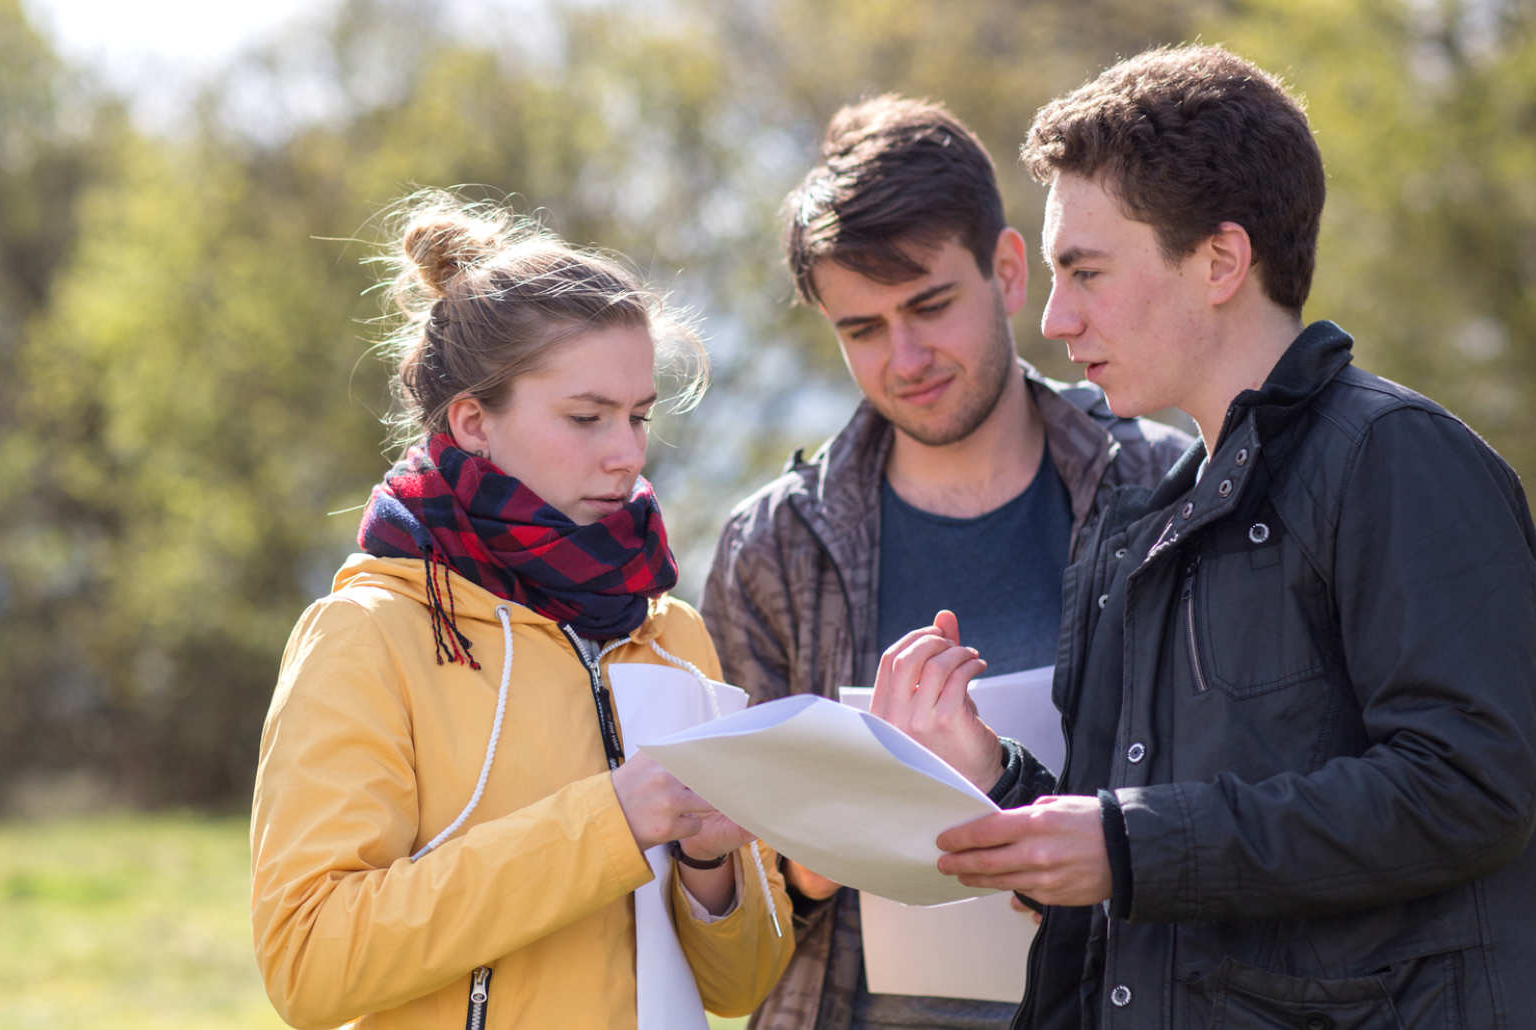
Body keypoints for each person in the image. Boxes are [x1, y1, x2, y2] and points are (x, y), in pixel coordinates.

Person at [874, 44, 1536, 1029]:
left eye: (1084, 270)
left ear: (1219, 261)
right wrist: (994, 780)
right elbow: (1126, 845)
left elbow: (1470, 785)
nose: (1054, 318)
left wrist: (1128, 842)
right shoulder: (1136, 520)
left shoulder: (1395, 460)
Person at [701, 95, 1188, 1029]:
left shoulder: (1166, 487)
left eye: (929, 305)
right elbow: (729, 899)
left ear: (1009, 271)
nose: (907, 356)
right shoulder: (772, 546)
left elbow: (1224, 807)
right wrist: (814, 849)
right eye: (862, 330)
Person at [250, 190, 793, 1029]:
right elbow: (309, 961)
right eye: (587, 417)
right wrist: (608, 822)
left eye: (639, 416)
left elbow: (742, 987)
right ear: (472, 422)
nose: (628, 454)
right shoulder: (366, 634)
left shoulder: (672, 633)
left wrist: (708, 868)